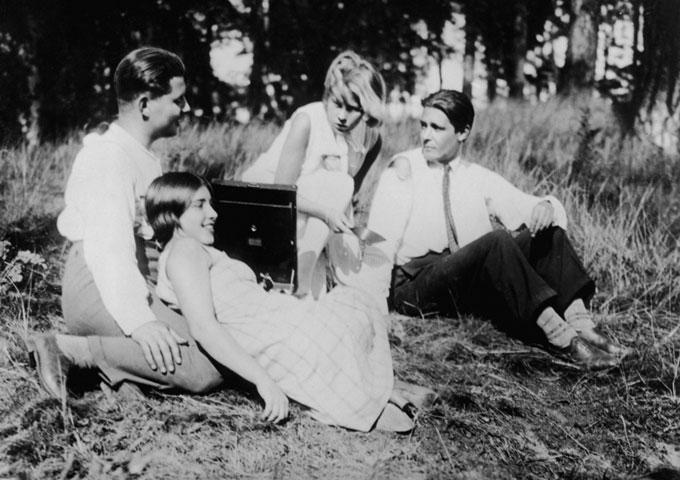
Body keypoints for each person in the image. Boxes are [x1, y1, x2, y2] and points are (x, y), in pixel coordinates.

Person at [361, 89, 630, 369]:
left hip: (464, 280)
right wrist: (375, 306)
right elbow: (380, 240)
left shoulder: (475, 176)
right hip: (415, 286)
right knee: (497, 242)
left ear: (463, 132)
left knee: (550, 233)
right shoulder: (403, 170)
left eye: (437, 128)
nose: (426, 135)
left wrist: (546, 207)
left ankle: (582, 326)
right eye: (424, 125)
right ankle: (562, 339)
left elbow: (526, 205)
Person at [143, 171, 415, 431]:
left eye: (210, 204)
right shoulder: (184, 251)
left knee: (350, 311)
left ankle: (378, 389)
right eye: (200, 205)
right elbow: (203, 327)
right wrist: (264, 381)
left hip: (275, 320)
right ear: (172, 214)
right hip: (270, 333)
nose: (213, 213)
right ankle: (373, 397)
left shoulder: (192, 248)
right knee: (344, 320)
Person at [26, 47, 224, 399]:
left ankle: (116, 373)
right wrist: (142, 323)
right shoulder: (109, 157)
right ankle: (67, 349)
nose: (187, 108)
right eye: (178, 100)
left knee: (216, 340)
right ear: (146, 104)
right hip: (100, 286)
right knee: (204, 368)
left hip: (130, 281)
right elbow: (109, 251)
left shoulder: (143, 156)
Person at [240, 50, 386, 298]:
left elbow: (350, 193)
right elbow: (280, 194)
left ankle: (306, 279)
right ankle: (299, 277)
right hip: (267, 210)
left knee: (364, 275)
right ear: (327, 95)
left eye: (353, 109)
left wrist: (340, 222)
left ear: (367, 111)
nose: (342, 116)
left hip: (314, 219)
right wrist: (327, 212)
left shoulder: (371, 141)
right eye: (337, 103)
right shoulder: (308, 120)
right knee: (337, 182)